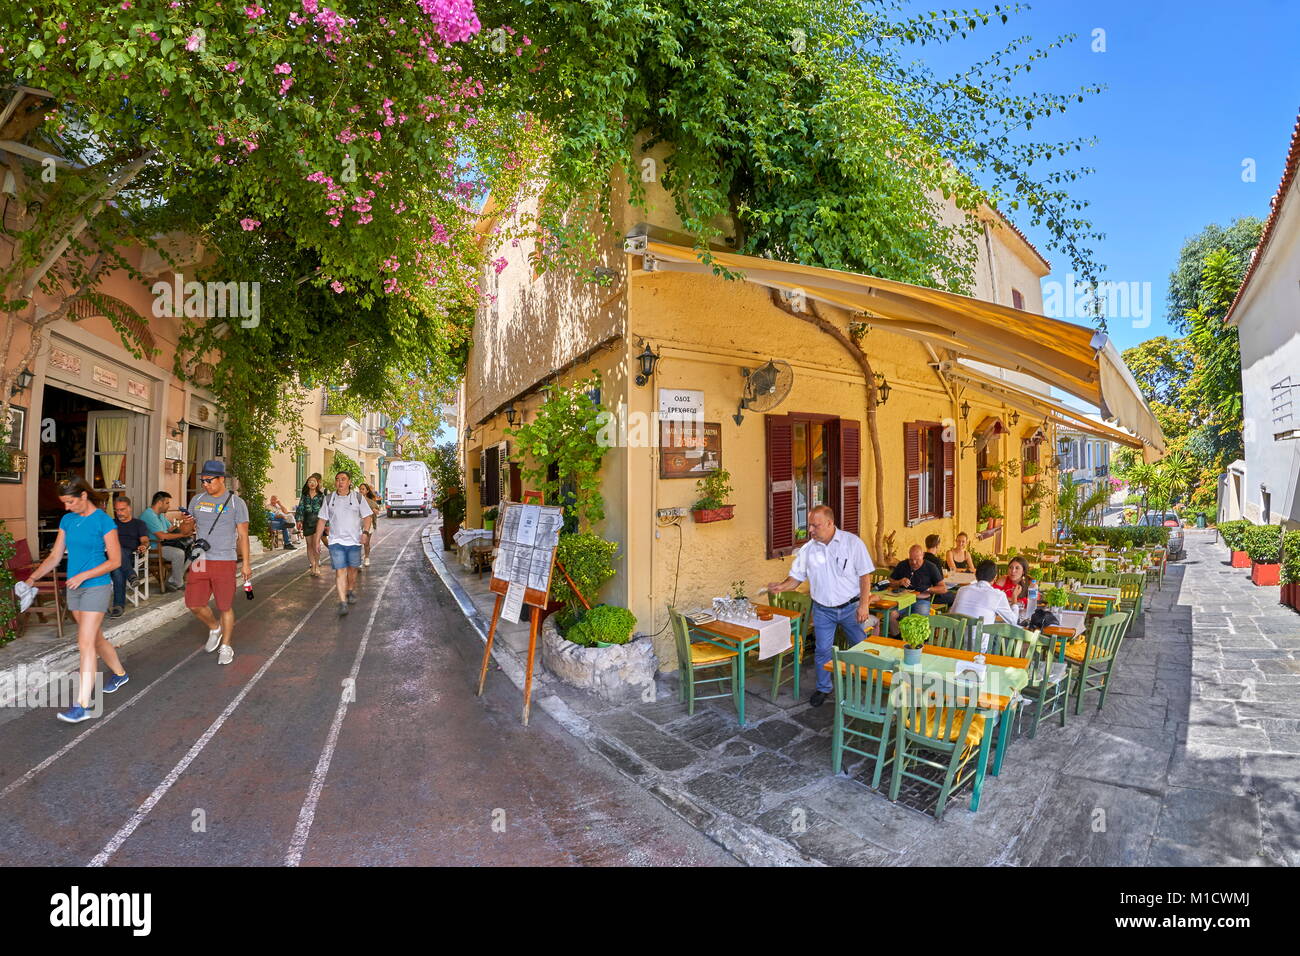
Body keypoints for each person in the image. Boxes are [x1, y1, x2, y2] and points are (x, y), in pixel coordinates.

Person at [26, 478, 129, 722]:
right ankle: (120, 673)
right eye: (64, 503)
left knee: (84, 643)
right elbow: (54, 556)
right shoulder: (68, 520)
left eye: (70, 502)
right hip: (75, 588)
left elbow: (115, 561)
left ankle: (82, 704)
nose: (66, 507)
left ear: (84, 496)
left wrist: (83, 575)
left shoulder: (103, 521)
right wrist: (32, 579)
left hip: (96, 586)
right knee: (94, 637)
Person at [767, 504, 875, 708]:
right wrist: (780, 586)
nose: (810, 530)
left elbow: (865, 575)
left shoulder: (852, 543)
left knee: (861, 648)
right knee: (822, 651)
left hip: (851, 608)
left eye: (815, 526)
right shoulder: (808, 549)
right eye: (810, 525)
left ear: (829, 523)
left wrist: (864, 605)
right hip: (823, 610)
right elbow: (796, 578)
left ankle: (865, 685)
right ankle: (824, 688)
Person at [186, 460, 251, 665]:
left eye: (209, 480)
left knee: (225, 605)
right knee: (194, 603)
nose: (205, 484)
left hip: (224, 559)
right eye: (203, 480)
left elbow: (243, 535)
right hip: (200, 559)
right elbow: (187, 532)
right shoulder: (197, 500)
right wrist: (186, 525)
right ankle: (215, 628)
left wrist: (247, 564)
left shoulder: (235, 503)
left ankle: (226, 646)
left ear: (222, 479)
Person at [318, 470, 373, 616]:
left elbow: (367, 517)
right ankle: (342, 602)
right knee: (340, 570)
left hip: (354, 541)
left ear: (349, 482)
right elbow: (322, 520)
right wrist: (317, 540)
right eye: (337, 479)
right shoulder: (329, 499)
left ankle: (350, 590)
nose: (340, 482)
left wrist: (366, 532)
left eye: (343, 479)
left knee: (352, 569)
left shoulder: (358, 498)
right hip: (336, 541)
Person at [884, 544, 948, 635]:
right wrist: (899, 582)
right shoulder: (902, 565)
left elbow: (943, 588)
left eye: (917, 560)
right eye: (911, 559)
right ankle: (898, 639)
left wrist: (928, 589)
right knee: (890, 615)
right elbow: (889, 582)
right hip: (903, 599)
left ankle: (916, 642)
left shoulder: (931, 567)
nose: (913, 562)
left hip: (921, 600)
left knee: (918, 619)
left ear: (923, 556)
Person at [141, 490, 195, 592]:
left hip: (165, 545)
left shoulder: (160, 515)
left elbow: (170, 529)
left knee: (194, 550)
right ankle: (177, 582)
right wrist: (182, 534)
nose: (169, 506)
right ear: (160, 503)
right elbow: (162, 536)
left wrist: (183, 521)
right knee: (178, 553)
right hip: (154, 548)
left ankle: (172, 579)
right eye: (167, 503)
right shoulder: (149, 515)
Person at [108, 496, 151, 618]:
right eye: (117, 510)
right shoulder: (111, 523)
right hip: (110, 558)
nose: (119, 513)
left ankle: (118, 605)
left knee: (118, 564)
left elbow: (145, 540)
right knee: (116, 557)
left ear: (129, 508)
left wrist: (143, 546)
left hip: (131, 556)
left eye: (122, 509)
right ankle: (131, 575)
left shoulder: (139, 524)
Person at [950, 560, 1017, 627]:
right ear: (995, 577)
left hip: (955, 636)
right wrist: (1014, 599)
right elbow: (1013, 621)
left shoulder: (962, 590)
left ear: (976, 575)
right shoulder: (998, 595)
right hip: (978, 637)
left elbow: (952, 614)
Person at [295, 473, 326, 577]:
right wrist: (299, 520)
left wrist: (327, 524)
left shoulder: (321, 496)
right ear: (307, 484)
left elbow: (325, 511)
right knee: (309, 545)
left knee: (316, 544)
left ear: (317, 483)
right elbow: (300, 509)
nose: (312, 483)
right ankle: (312, 565)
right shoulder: (304, 496)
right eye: (309, 481)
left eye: (314, 481)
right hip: (307, 521)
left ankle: (317, 565)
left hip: (318, 522)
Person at [357, 482, 381, 568]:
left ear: (367, 491)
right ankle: (358, 560)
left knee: (366, 542)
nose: (361, 491)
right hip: (357, 524)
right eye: (360, 489)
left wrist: (374, 511)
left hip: (368, 524)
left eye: (363, 489)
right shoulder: (355, 501)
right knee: (357, 543)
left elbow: (377, 512)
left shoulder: (371, 502)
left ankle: (366, 558)